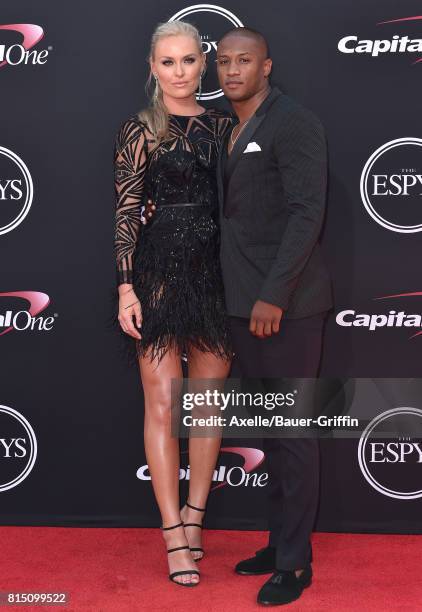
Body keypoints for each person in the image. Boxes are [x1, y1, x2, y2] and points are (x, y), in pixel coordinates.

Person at [215, 27, 333, 606]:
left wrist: (275, 294)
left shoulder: (294, 121)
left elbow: (307, 211)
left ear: (266, 67)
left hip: (284, 307)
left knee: (293, 434)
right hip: (241, 304)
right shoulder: (227, 128)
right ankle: (279, 542)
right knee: (271, 432)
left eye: (244, 60)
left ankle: (295, 564)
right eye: (224, 61)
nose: (232, 70)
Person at [113, 20, 233, 587]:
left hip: (216, 278)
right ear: (152, 68)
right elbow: (126, 210)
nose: (179, 72)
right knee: (162, 404)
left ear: (202, 65)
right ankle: (171, 534)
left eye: (188, 61)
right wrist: (125, 286)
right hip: (157, 278)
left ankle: (196, 517)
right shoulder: (139, 130)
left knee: (207, 405)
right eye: (168, 62)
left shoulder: (224, 126)